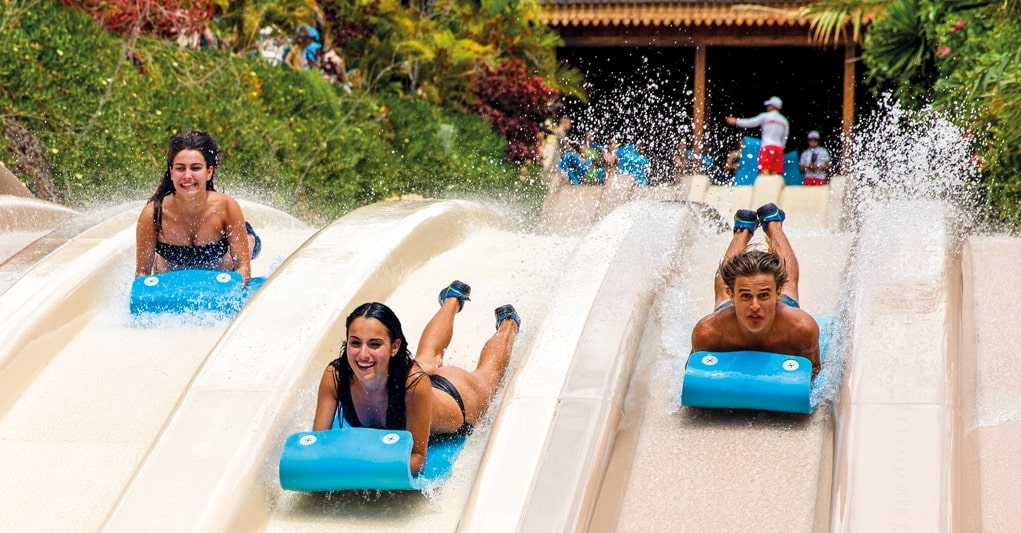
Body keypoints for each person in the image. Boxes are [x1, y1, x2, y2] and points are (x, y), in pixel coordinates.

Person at [312, 282, 520, 475]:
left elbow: (417, 460)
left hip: (454, 396)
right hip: (404, 376)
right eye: (355, 343)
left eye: (375, 344)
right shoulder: (336, 376)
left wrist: (358, 466)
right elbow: (316, 446)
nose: (363, 354)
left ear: (394, 347)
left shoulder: (413, 382)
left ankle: (508, 323)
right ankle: (452, 298)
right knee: (428, 357)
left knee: (487, 378)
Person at [690, 203, 821, 377]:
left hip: (780, 308)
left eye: (764, 296)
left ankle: (773, 224)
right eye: (745, 296)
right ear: (733, 296)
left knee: (788, 282)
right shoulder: (709, 332)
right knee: (726, 282)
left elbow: (814, 372)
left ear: (778, 293)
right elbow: (692, 375)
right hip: (730, 311)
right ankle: (742, 230)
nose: (755, 306)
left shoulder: (801, 328)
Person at [135, 130, 261, 286]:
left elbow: (243, 268)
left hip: (227, 253)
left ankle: (250, 239)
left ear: (209, 172)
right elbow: (142, 274)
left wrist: (234, 291)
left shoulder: (227, 207)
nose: (187, 176)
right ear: (171, 172)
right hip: (170, 267)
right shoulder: (153, 214)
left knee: (247, 244)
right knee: (160, 265)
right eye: (180, 168)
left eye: (195, 168)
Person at [726, 96, 789, 176]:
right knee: (775, 175)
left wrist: (736, 122)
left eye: (769, 105)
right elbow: (785, 138)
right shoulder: (784, 121)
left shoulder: (765, 116)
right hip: (779, 149)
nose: (767, 107)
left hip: (767, 147)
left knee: (765, 173)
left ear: (773, 106)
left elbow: (751, 122)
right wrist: (781, 149)